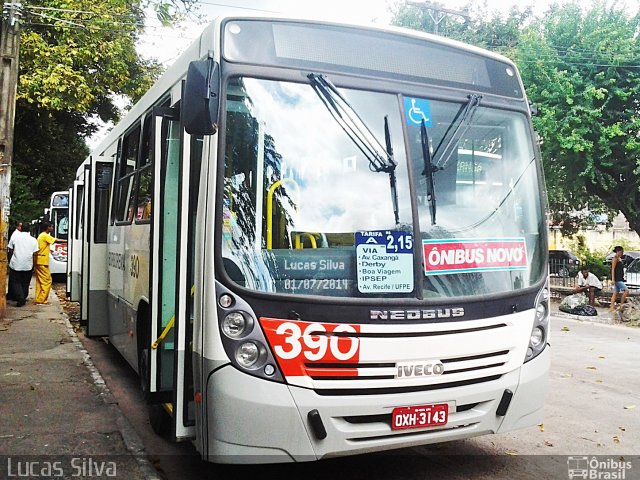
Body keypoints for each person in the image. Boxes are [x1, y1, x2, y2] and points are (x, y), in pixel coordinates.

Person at [35, 221, 67, 305]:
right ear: (48, 227)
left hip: (39, 260)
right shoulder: (45, 236)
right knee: (47, 280)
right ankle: (42, 300)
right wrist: (68, 241)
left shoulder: (41, 235)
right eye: (52, 227)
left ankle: (39, 298)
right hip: (42, 261)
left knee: (40, 280)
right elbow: (56, 240)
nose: (52, 228)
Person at [7, 222, 39, 306]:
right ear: (29, 229)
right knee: (25, 282)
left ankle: (20, 297)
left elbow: (10, 250)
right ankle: (23, 296)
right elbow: (35, 254)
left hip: (16, 263)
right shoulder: (33, 240)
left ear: (21, 228)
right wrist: (35, 265)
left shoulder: (15, 238)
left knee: (15, 282)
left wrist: (9, 260)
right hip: (28, 265)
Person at [6, 221, 23, 301]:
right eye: (20, 226)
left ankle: (13, 295)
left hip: (18, 260)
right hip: (15, 260)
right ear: (17, 227)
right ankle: (14, 295)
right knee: (15, 280)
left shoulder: (21, 234)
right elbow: (11, 248)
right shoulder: (15, 235)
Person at [610, 246, 629, 311]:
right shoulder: (615, 259)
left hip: (620, 277)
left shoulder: (619, 259)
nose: (622, 253)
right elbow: (613, 269)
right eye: (621, 252)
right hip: (617, 278)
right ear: (618, 251)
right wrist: (613, 279)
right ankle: (621, 305)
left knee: (616, 293)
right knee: (626, 290)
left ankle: (612, 307)